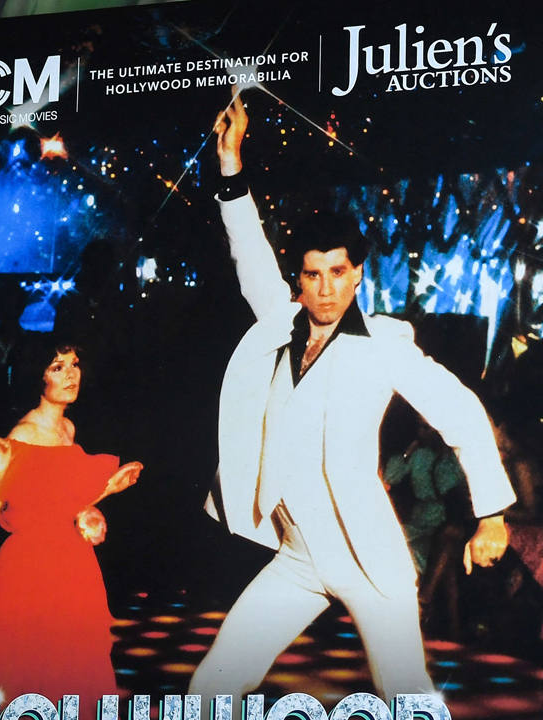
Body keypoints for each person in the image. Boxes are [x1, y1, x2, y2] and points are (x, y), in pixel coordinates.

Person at [190, 92, 516, 700]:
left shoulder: (383, 342)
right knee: (212, 685)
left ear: (358, 273)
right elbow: (248, 248)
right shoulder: (280, 324)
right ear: (299, 279)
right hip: (297, 554)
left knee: (406, 693)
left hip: (367, 557)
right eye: (312, 275)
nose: (325, 290)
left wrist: (491, 514)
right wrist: (230, 163)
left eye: (338, 273)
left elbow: (459, 410)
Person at [0, 343, 143, 718]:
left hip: (74, 565)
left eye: (74, 364)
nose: (71, 374)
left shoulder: (68, 429)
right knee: (8, 674)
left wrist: (107, 489)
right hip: (29, 569)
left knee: (69, 672)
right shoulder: (23, 434)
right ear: (39, 377)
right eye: (57, 367)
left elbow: (57, 502)